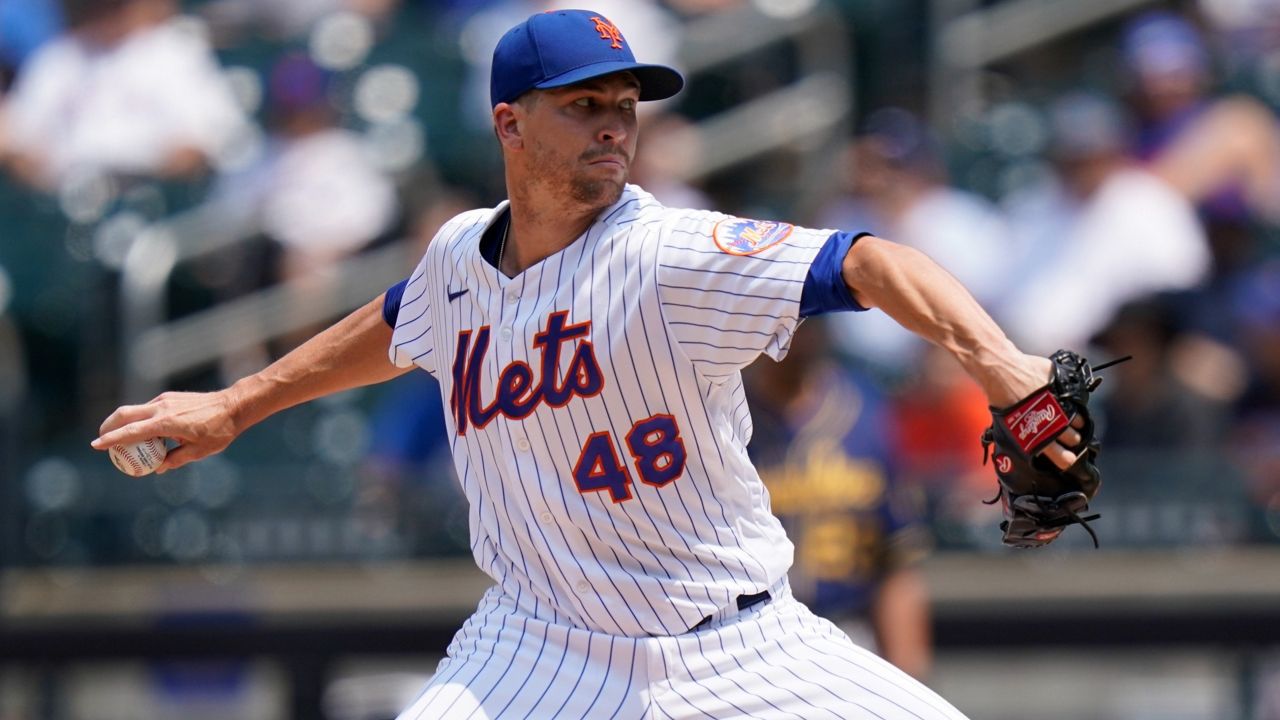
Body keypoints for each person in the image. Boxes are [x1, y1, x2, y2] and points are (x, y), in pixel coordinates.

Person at [93, 10, 1087, 718]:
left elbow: (869, 263)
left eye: (624, 103)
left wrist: (994, 360)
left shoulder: (670, 254)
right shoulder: (457, 259)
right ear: (509, 122)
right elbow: (395, 324)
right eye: (582, 105)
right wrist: (236, 402)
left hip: (742, 647)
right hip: (535, 651)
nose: (614, 123)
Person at [744, 318, 934, 681]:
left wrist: (911, 676)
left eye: (807, 321)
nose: (796, 335)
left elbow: (897, 559)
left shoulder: (868, 415)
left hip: (847, 631)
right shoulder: (718, 418)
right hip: (748, 639)